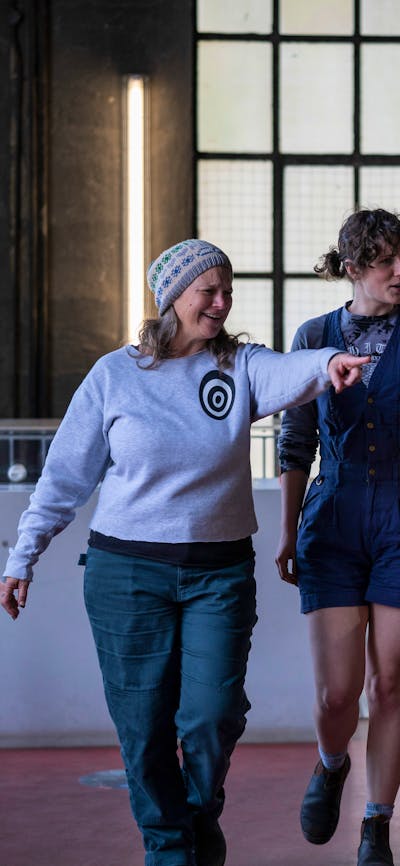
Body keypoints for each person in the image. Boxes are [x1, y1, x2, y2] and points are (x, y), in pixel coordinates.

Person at [1, 238, 367, 866]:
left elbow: (289, 369)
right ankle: (173, 851)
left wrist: (329, 360)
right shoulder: (114, 376)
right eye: (210, 291)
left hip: (218, 573)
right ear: (173, 296)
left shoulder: (239, 366)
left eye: (229, 292)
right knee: (143, 731)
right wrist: (21, 557)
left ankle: (196, 819)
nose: (223, 303)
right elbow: (63, 477)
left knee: (212, 713)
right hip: (125, 574)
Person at [275, 208, 400, 866]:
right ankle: (330, 764)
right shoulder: (314, 334)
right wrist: (289, 529)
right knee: (337, 693)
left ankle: (376, 823)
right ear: (352, 269)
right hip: (334, 513)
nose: (398, 270)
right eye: (384, 260)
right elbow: (295, 443)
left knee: (391, 683)